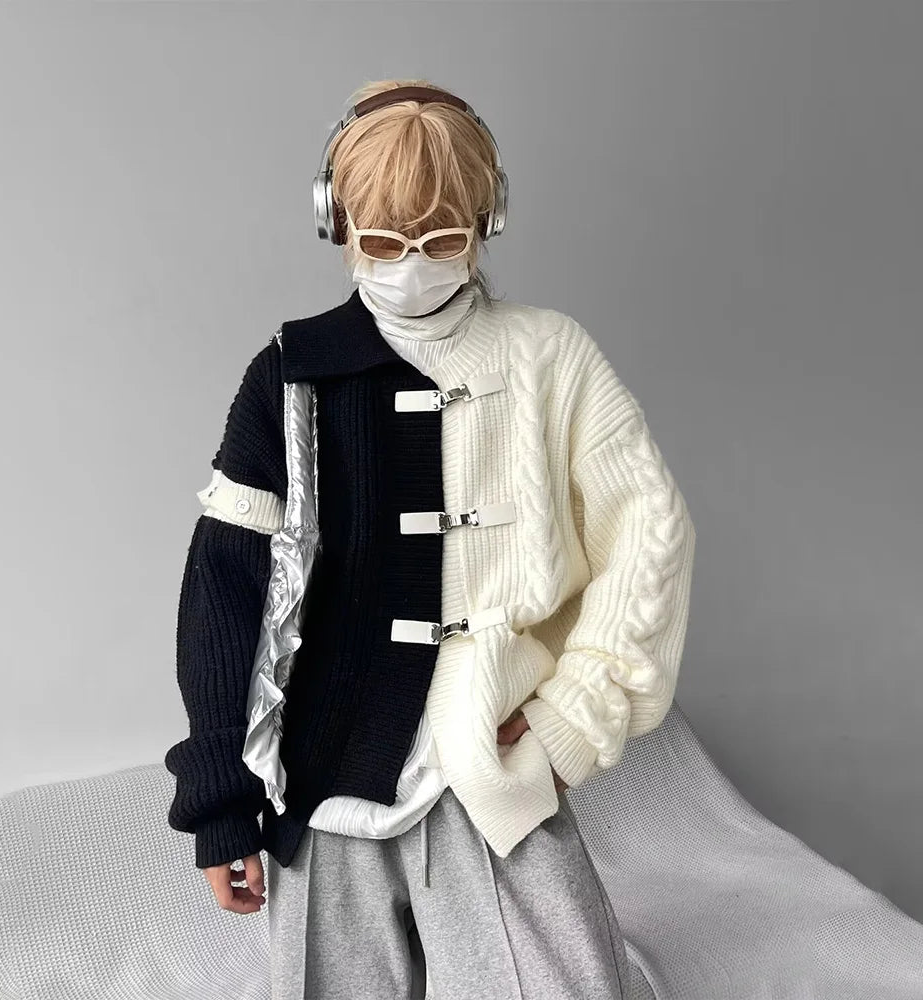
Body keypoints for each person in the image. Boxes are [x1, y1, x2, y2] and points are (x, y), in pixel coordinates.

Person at [164, 78, 696, 1000]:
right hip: (327, 777)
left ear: (488, 221)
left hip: (492, 762)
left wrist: (572, 723)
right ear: (336, 225)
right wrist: (220, 798)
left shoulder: (551, 356)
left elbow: (649, 536)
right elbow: (224, 587)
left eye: (442, 239)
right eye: (382, 242)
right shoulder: (290, 376)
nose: (412, 264)